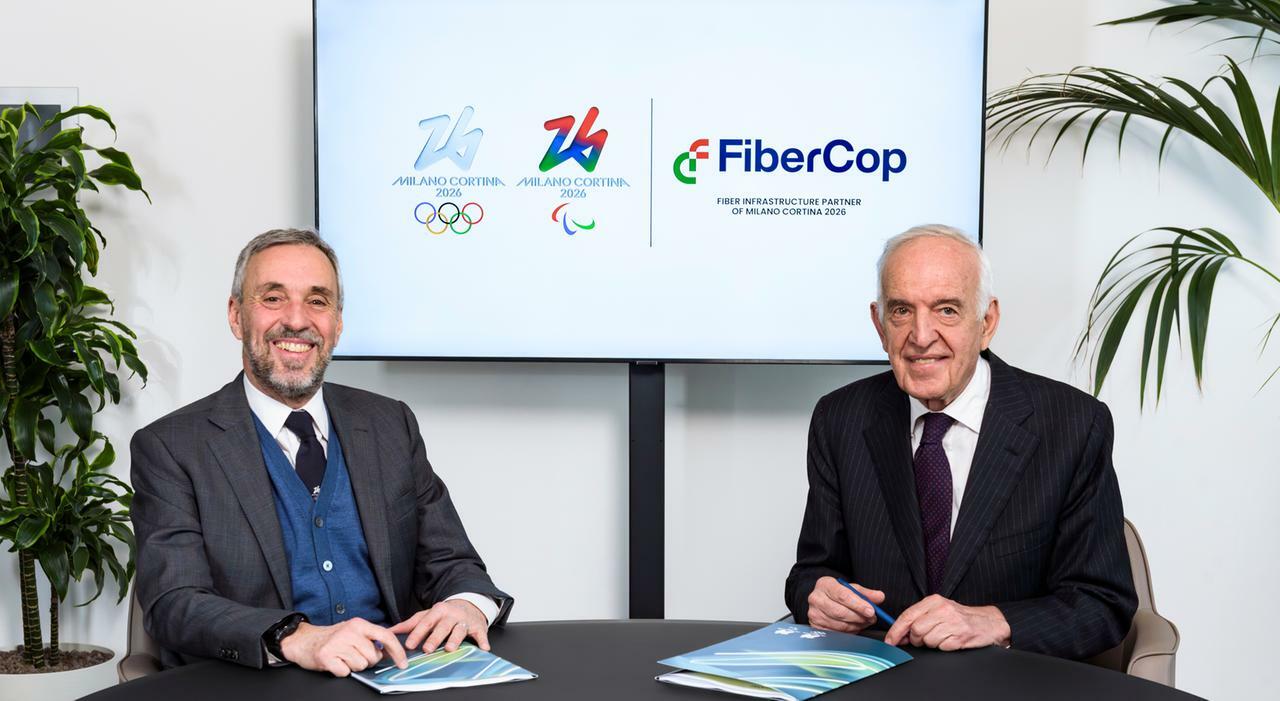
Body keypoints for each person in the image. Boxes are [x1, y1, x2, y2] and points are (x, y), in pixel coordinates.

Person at [131, 228, 511, 675]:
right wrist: (294, 638)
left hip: (393, 677)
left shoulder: (391, 424)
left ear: (338, 323)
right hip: (256, 684)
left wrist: (467, 603)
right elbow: (174, 602)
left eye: (317, 300)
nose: (297, 320)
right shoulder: (170, 447)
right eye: (273, 298)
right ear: (236, 316)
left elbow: (452, 561)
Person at [784, 224, 1136, 659]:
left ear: (987, 322)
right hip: (878, 676)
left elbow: (1103, 604)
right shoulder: (839, 419)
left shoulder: (1073, 425)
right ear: (879, 324)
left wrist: (996, 621)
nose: (921, 336)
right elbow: (811, 573)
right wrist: (817, 596)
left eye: (946, 310)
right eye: (901, 311)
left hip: (1007, 680)